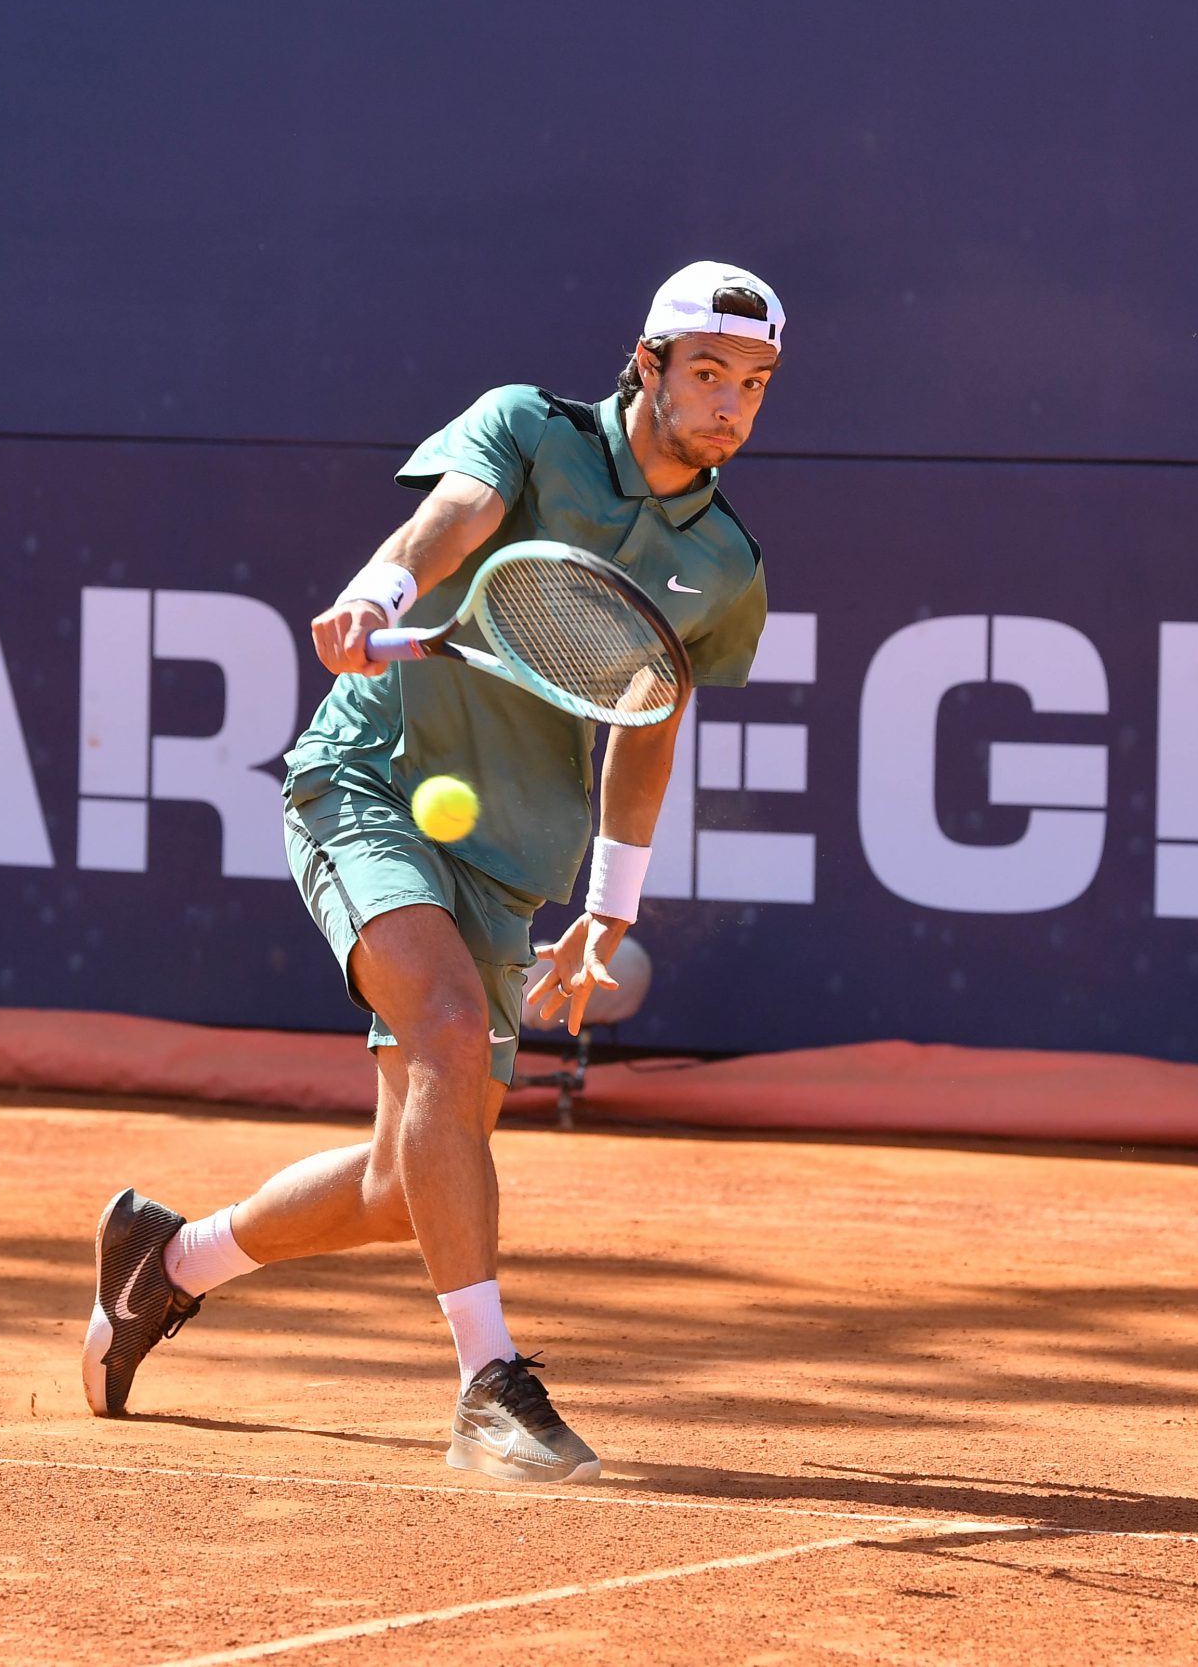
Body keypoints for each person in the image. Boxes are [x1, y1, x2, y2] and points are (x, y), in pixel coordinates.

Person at [82, 262, 784, 1482]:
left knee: (411, 1181)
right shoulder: (526, 428)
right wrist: (381, 587)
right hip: (370, 786)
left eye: (755, 384)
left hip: (512, 861)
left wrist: (609, 905)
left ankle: (166, 1262)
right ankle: (488, 1383)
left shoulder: (724, 560)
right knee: (450, 1031)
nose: (729, 403)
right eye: (709, 372)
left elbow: (649, 720)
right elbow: (452, 513)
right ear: (650, 362)